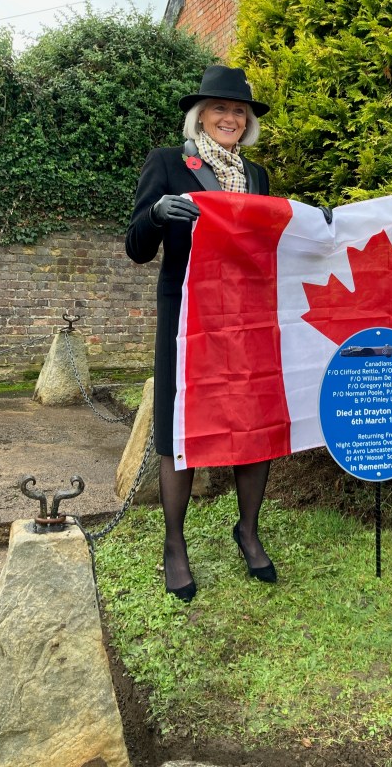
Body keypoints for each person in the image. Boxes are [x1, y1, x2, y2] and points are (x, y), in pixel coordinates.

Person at [126, 65, 277, 602]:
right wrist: (157, 214)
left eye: (240, 111)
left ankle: (248, 531)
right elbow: (136, 246)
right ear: (201, 116)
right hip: (186, 312)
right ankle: (174, 545)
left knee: (252, 420)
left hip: (245, 313)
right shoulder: (170, 162)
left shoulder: (256, 177)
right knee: (178, 426)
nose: (231, 118)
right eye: (220, 109)